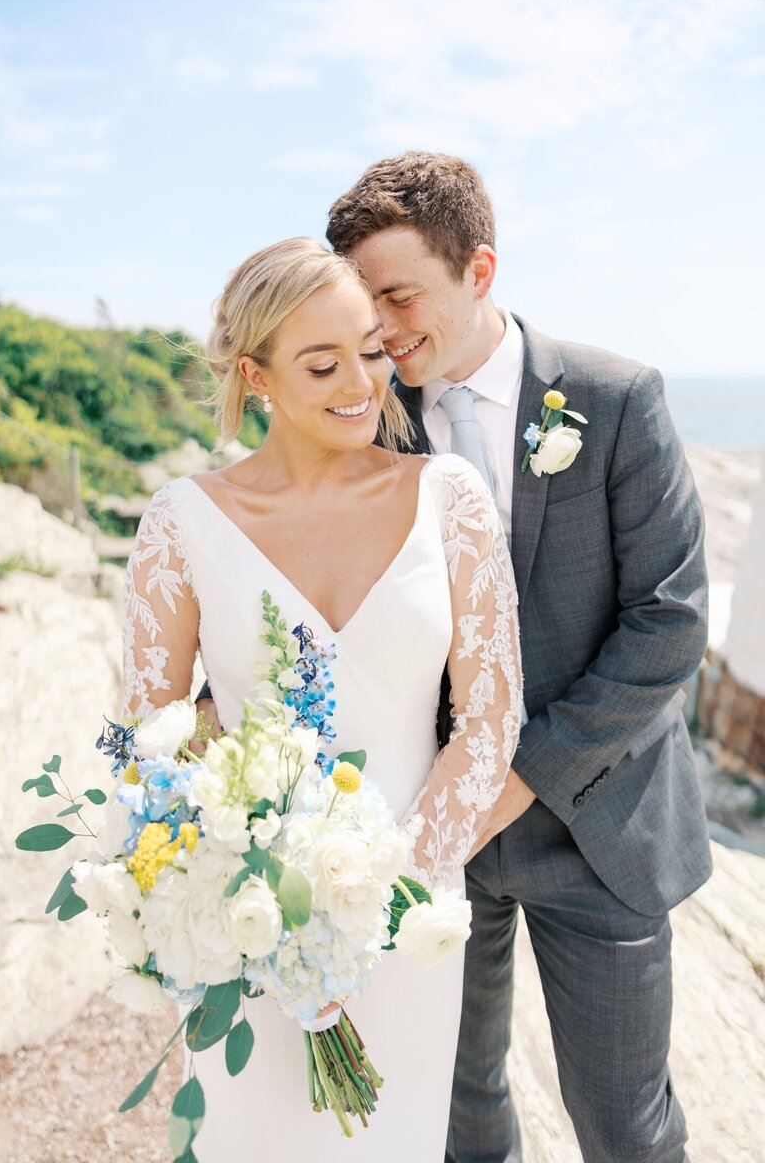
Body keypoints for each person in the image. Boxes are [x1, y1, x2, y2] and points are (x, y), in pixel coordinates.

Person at [199, 152, 711, 1162]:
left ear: (479, 271)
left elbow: (669, 622)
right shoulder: (364, 421)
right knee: (456, 1114)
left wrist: (520, 777)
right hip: (426, 832)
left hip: (601, 828)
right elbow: (305, 580)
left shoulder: (614, 400)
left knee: (625, 1126)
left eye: (399, 296)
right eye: (365, 305)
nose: (381, 331)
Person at [123, 237, 523, 1161]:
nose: (362, 383)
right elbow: (152, 739)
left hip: (413, 923)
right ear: (255, 375)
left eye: (372, 351)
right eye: (322, 363)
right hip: (250, 927)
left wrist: (378, 900)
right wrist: (245, 885)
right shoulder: (179, 523)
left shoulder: (449, 499)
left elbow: (491, 720)